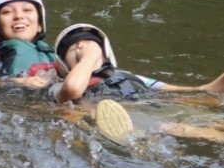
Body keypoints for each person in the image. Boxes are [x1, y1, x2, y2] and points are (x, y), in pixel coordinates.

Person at [51, 23, 224, 144]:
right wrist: (89, 56)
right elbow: (72, 89)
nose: (81, 47)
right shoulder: (59, 86)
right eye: (73, 49)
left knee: (208, 117)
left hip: (155, 105)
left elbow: (181, 92)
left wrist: (213, 87)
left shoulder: (130, 76)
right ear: (63, 66)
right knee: (176, 128)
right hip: (126, 117)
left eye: (91, 44)